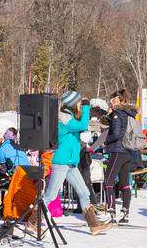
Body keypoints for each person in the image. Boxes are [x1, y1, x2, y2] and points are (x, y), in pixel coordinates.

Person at [44, 91, 113, 236]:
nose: (80, 105)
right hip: (62, 162)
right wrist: (87, 106)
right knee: (50, 196)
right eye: (79, 102)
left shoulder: (69, 117)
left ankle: (94, 225)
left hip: (70, 164)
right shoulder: (64, 118)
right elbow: (83, 124)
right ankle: (33, 222)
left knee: (84, 192)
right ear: (72, 103)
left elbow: (81, 122)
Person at [102, 91, 143, 223]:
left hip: (118, 150)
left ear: (120, 99)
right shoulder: (129, 113)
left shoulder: (117, 114)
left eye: (113, 98)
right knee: (125, 183)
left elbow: (117, 134)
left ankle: (111, 211)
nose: (111, 100)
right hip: (128, 151)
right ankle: (125, 212)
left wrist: (106, 140)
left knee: (108, 181)